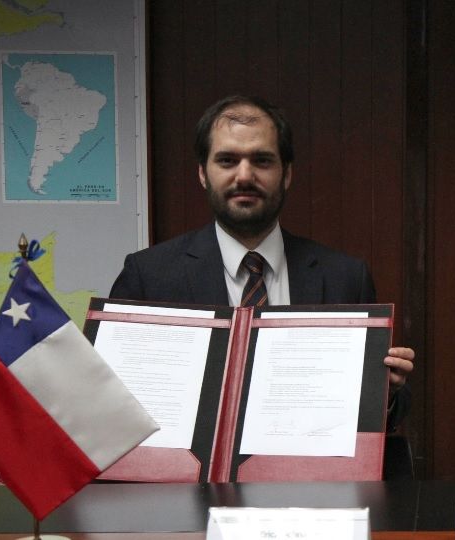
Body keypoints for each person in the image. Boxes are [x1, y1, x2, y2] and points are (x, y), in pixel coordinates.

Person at [110, 95, 413, 428]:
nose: (244, 176)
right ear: (202, 174)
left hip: (308, 461)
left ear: (286, 174)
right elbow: (118, 409)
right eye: (227, 160)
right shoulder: (148, 276)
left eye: (262, 161)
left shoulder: (346, 277)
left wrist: (385, 394)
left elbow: (374, 421)